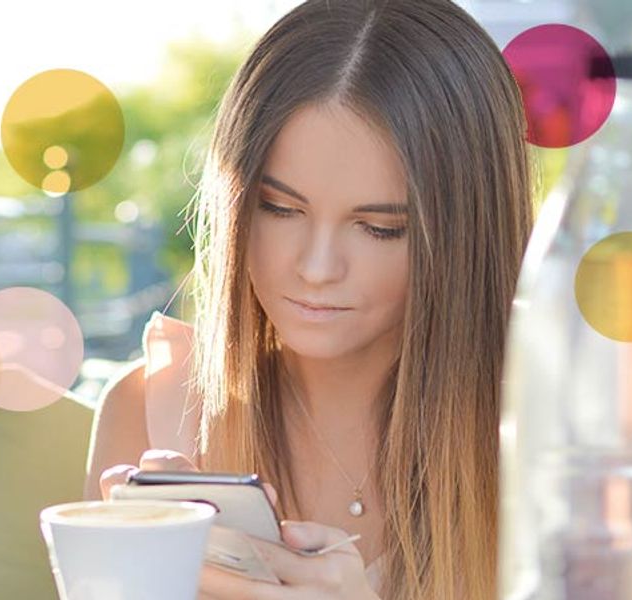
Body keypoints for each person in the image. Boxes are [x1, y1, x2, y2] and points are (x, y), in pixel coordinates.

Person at [83, 1, 537, 599]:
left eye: (379, 227)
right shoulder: (149, 412)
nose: (317, 268)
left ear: (468, 233)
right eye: (280, 208)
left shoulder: (557, 436)